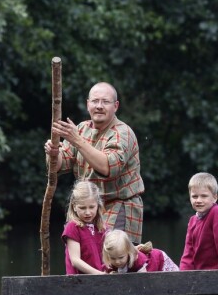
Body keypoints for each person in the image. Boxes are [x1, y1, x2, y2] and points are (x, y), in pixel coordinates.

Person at [44, 82, 144, 244]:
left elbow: (108, 168)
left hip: (118, 205)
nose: (99, 106)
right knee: (82, 254)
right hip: (88, 207)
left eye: (105, 102)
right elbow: (59, 165)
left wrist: (77, 140)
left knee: (112, 257)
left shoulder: (122, 132)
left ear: (116, 106)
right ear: (87, 104)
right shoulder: (82, 128)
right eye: (95, 101)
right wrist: (53, 153)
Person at [180, 172, 218, 270]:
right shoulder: (192, 220)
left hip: (217, 275)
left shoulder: (217, 214)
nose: (198, 200)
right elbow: (188, 255)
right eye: (194, 196)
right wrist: (183, 276)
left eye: (204, 196)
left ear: (215, 197)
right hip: (199, 276)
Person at [62, 180, 107, 275]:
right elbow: (75, 260)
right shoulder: (73, 227)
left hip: (99, 282)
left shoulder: (102, 227)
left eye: (91, 207)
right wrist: (98, 274)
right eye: (82, 208)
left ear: (97, 206)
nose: (87, 212)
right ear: (74, 206)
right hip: (79, 283)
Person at [102, 230, 179, 273]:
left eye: (121, 257)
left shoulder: (138, 260)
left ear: (128, 252)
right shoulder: (111, 262)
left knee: (173, 279)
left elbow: (143, 280)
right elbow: (106, 271)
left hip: (160, 261)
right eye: (113, 258)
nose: (117, 262)